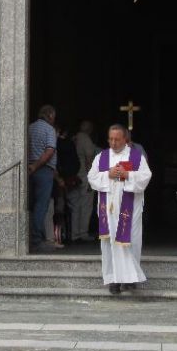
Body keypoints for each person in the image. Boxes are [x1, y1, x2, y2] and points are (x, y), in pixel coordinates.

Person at [87, 124, 152, 295]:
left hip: (130, 209)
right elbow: (91, 177)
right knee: (110, 244)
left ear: (125, 139)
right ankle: (113, 279)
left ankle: (130, 279)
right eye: (110, 139)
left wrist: (128, 175)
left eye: (117, 139)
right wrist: (107, 175)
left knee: (131, 242)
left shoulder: (136, 157)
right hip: (108, 209)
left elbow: (146, 176)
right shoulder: (101, 157)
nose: (113, 143)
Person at [27, 104, 57, 253]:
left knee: (32, 205)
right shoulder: (49, 129)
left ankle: (30, 239)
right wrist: (36, 166)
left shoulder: (29, 127)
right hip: (43, 170)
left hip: (29, 170)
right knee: (41, 206)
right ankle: (36, 241)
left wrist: (31, 166)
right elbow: (49, 151)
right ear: (50, 115)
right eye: (54, 117)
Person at [68, 119, 99, 242]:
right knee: (86, 206)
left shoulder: (74, 138)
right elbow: (89, 159)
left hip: (73, 177)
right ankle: (83, 233)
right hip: (84, 176)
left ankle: (74, 234)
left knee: (75, 206)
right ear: (90, 129)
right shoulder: (86, 139)